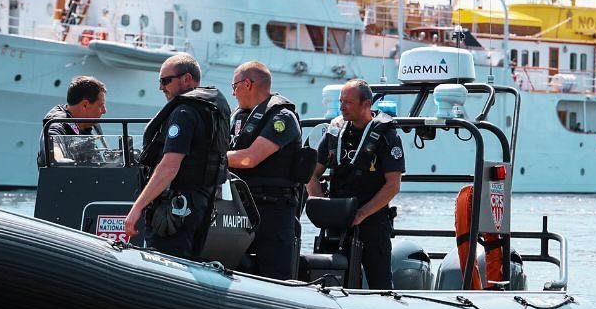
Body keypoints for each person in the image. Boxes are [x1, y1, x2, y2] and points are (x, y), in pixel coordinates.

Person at [124, 53, 230, 260]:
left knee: (166, 266)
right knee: (189, 261)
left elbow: (169, 166)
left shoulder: (184, 113)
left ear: (187, 79)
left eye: (166, 81)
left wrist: (137, 208)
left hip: (176, 208)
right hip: (202, 202)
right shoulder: (213, 109)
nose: (161, 87)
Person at [308, 78, 404, 289]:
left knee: (380, 285)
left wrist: (361, 214)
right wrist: (322, 204)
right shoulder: (335, 132)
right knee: (330, 284)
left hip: (372, 223)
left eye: (348, 102)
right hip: (336, 223)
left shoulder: (386, 134)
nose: (342, 107)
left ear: (366, 104)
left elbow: (393, 184)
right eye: (341, 101)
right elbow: (311, 174)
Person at [227, 61, 305, 279]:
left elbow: (249, 159)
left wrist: (211, 159)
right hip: (240, 209)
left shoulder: (282, 118)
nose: (232, 93)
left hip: (273, 210)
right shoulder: (237, 118)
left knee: (274, 274)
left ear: (248, 84)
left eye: (234, 86)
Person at [38, 75, 107, 165]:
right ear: (85, 105)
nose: (104, 111)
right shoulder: (57, 124)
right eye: (100, 105)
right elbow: (55, 152)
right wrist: (60, 159)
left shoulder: (92, 123)